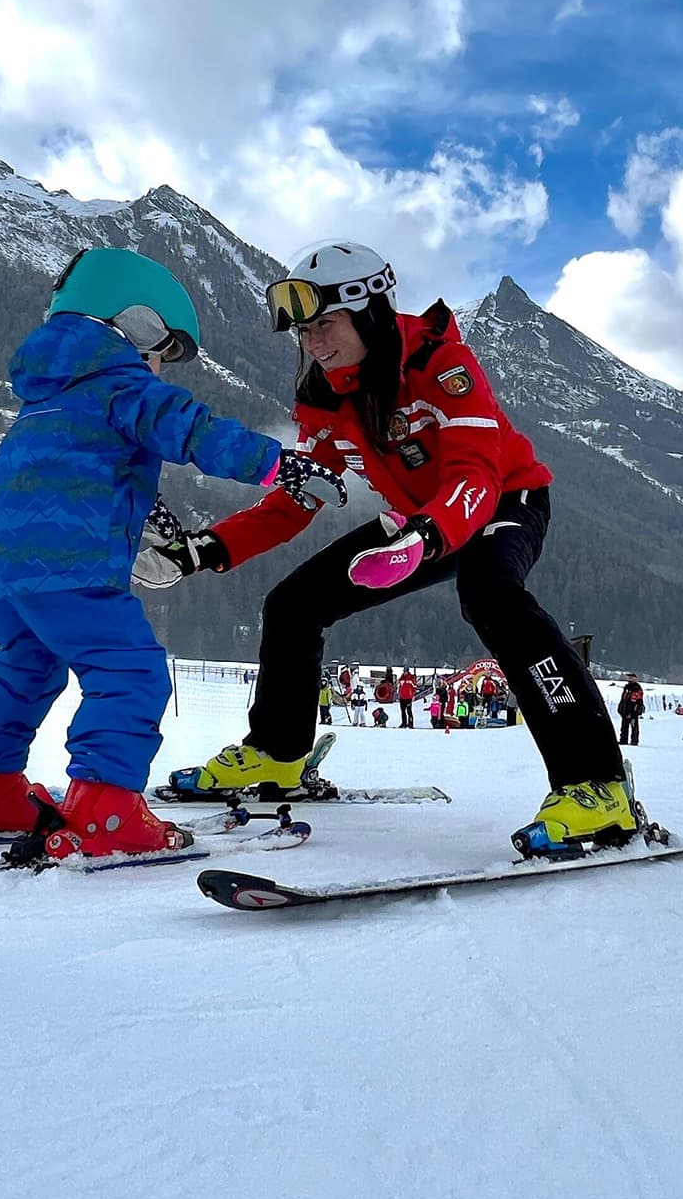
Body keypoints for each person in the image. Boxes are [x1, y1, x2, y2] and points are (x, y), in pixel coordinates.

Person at [143, 240, 633, 856]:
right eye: (303, 330)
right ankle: (276, 756)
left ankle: (598, 787)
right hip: (420, 522)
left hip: (505, 502)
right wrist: (204, 549)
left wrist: (424, 539)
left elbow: (476, 472)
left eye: (326, 323)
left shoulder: (440, 362)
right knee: (293, 604)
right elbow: (296, 500)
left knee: (490, 593)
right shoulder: (323, 399)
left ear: (369, 310)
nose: (313, 342)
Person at [0, 246, 338, 860]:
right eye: (163, 348)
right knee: (131, 672)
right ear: (136, 321)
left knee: (27, 668)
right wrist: (278, 463)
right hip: (72, 565)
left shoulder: (48, 395)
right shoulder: (121, 383)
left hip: (8, 567)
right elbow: (191, 431)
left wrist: (143, 509)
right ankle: (106, 809)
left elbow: (72, 472)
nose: (161, 366)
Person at [618, 676, 645, 746]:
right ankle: (623, 740)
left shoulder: (636, 688)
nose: (629, 679)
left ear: (635, 679)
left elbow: (636, 701)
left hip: (633, 711)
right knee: (624, 726)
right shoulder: (627, 687)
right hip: (625, 710)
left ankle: (634, 741)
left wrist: (632, 712)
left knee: (634, 726)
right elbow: (623, 699)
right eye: (628, 678)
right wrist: (620, 709)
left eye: (631, 678)